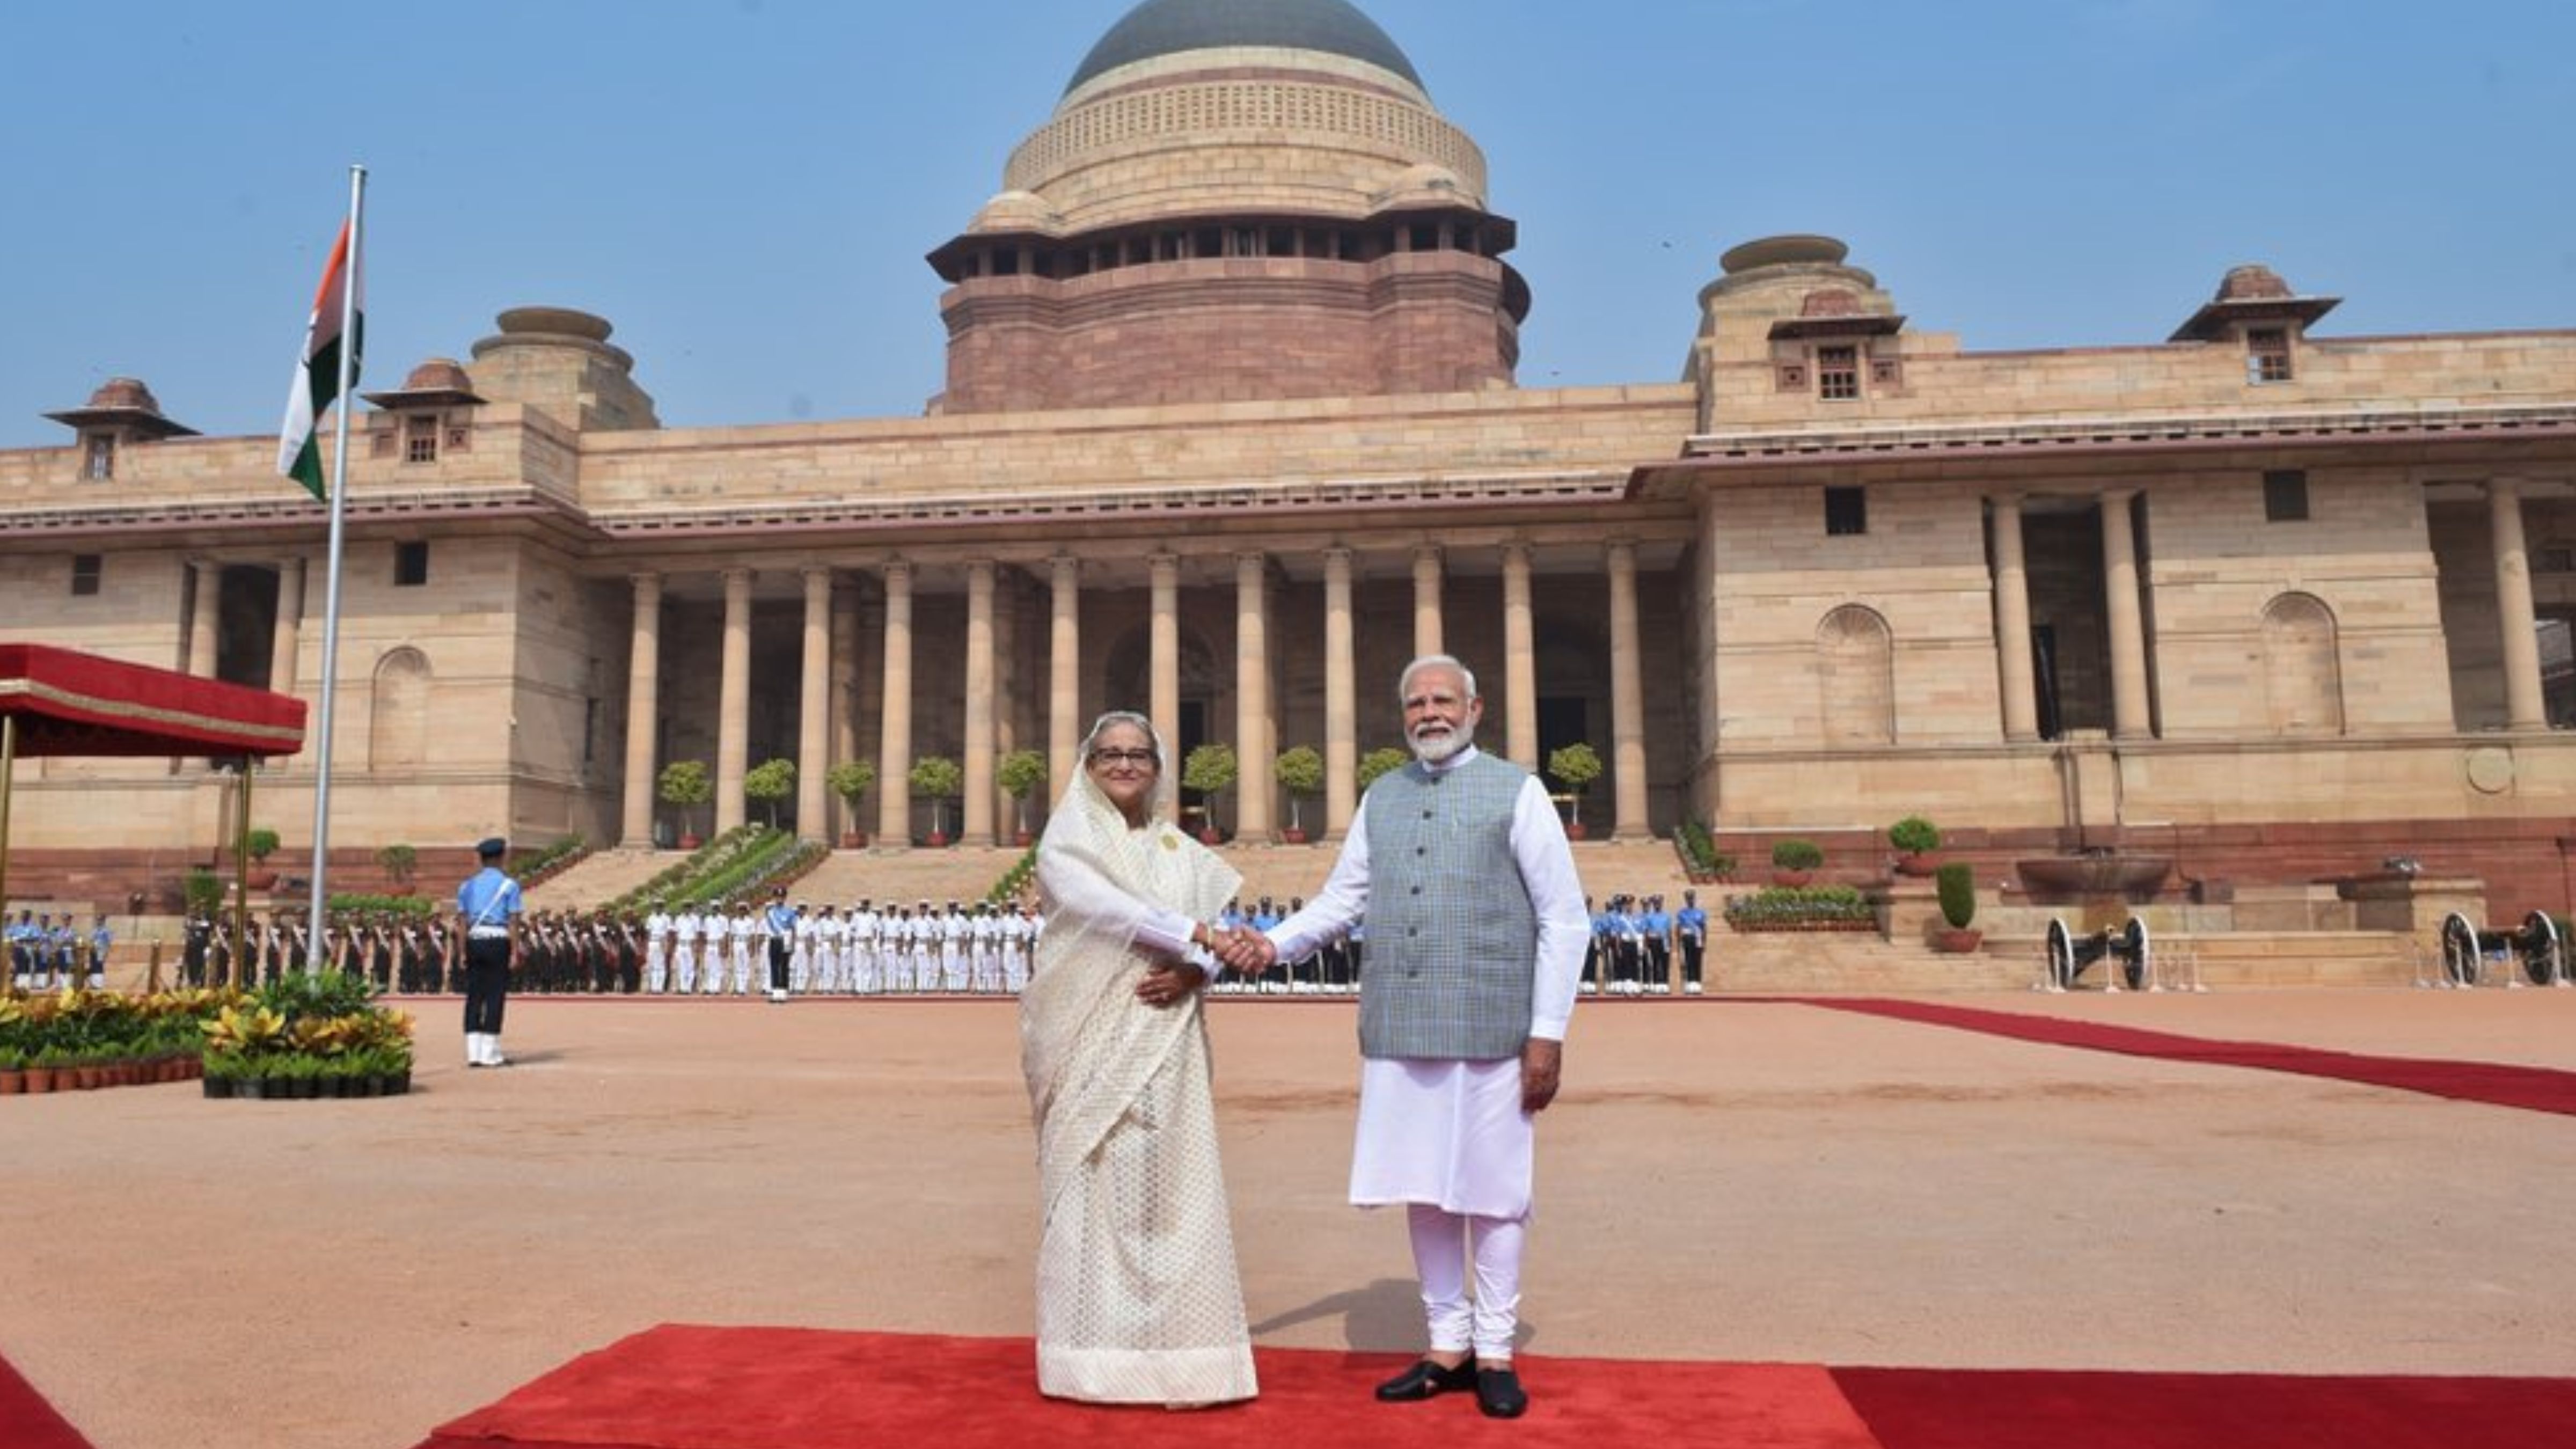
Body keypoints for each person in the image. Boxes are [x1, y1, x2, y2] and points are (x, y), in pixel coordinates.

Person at [1225, 655, 1585, 1419]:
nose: (1430, 713)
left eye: (1443, 700)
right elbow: (1340, 900)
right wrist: (1271, 944)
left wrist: (1547, 1033)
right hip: (1403, 1019)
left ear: (1476, 708)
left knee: (1492, 1195)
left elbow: (1564, 916)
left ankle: (1494, 1350)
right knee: (1423, 1188)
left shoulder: (1518, 792)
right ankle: (1446, 1346)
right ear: (1404, 715)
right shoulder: (1381, 797)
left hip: (1494, 1021)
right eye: (1416, 702)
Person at [1019, 709, 1257, 1408]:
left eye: (1138, 755)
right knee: (1095, 1183)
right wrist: (1201, 936)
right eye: (1109, 755)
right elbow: (1101, 907)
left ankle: (1185, 1358)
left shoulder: (1180, 851)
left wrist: (1197, 970)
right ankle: (1088, 1359)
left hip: (1167, 1033)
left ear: (1159, 768)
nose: (1124, 765)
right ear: (1087, 767)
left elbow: (1196, 953)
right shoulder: (1068, 840)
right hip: (1088, 1033)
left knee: (1171, 1188)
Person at [455, 837, 524, 1068]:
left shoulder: (467, 886)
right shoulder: (509, 885)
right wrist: (515, 951)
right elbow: (514, 921)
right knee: (495, 995)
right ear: (500, 857)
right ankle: (490, 1053)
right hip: (497, 940)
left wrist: (462, 951)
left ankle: (473, 1052)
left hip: (474, 941)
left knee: (474, 995)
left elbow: (462, 922)